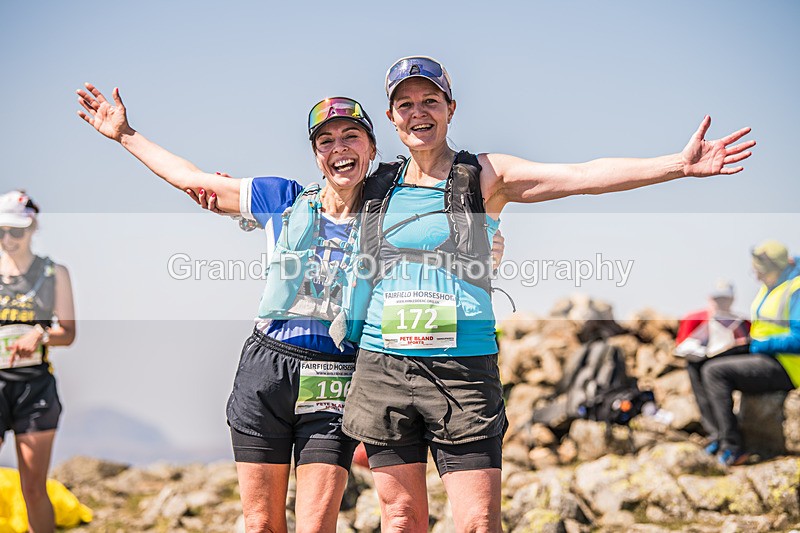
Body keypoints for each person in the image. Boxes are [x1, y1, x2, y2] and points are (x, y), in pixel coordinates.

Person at [341, 55, 756, 532]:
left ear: (451, 108)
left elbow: (581, 176)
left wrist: (677, 165)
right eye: (406, 104)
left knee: (478, 522)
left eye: (430, 101)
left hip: (461, 369)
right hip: (384, 368)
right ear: (391, 118)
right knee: (399, 518)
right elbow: (314, 207)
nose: (418, 112)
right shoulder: (375, 186)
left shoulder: (485, 174)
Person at [76, 84, 506, 532]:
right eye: (326, 141)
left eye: (352, 137)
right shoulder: (282, 198)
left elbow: (452, 231)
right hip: (267, 368)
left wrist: (489, 243)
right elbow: (192, 179)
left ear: (372, 148)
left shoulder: (391, 210)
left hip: (336, 374)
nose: (339, 149)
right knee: (261, 524)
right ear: (316, 155)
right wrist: (125, 134)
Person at [0, 190, 76, 533]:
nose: (7, 239)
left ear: (32, 228)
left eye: (16, 231)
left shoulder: (53, 272)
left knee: (32, 487)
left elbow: (68, 333)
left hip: (34, 387)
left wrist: (40, 334)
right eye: (1, 231)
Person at [695, 240, 799, 466]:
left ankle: (732, 448)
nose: (756, 276)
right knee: (696, 361)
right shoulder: (771, 285)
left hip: (786, 366)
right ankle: (717, 435)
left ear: (776, 268)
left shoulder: (795, 289)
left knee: (714, 372)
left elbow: (798, 339)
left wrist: (760, 344)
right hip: (761, 351)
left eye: (760, 271)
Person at [675, 280, 750, 455]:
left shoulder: (742, 322)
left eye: (725, 299)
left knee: (712, 370)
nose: (721, 303)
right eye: (718, 299)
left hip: (727, 364)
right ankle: (716, 434)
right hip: (701, 362)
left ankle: (728, 440)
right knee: (697, 368)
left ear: (732, 300)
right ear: (710, 298)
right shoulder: (694, 318)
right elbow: (681, 345)